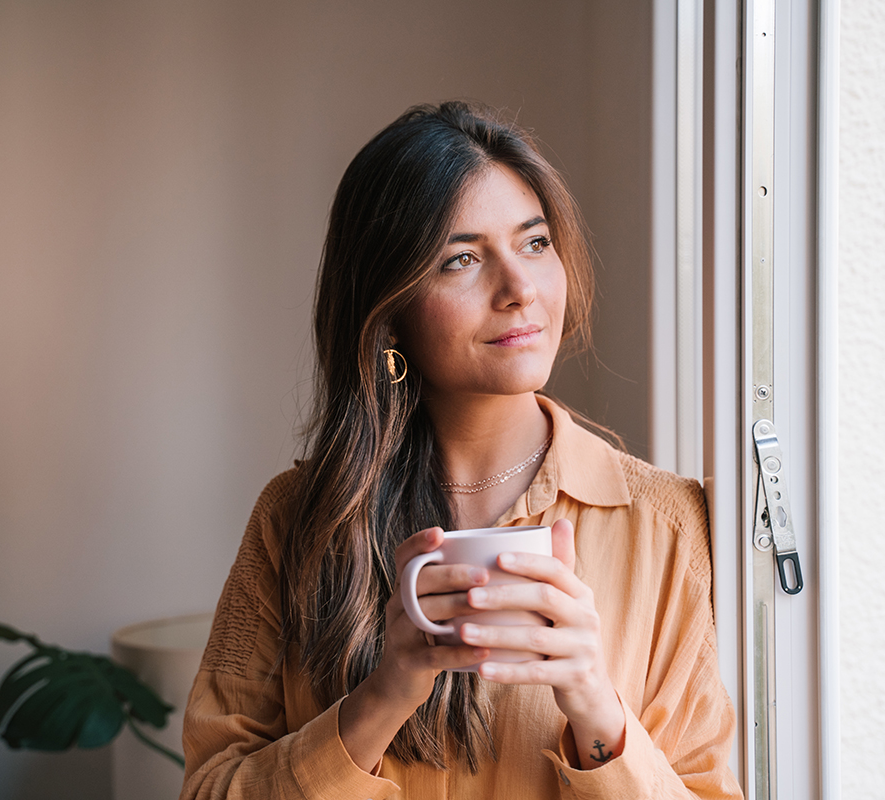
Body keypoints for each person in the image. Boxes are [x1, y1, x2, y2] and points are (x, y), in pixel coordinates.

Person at [179, 101, 742, 799]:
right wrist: (384, 695)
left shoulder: (664, 524)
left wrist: (597, 708)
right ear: (389, 309)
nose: (520, 289)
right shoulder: (296, 519)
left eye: (535, 243)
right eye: (462, 259)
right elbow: (210, 787)